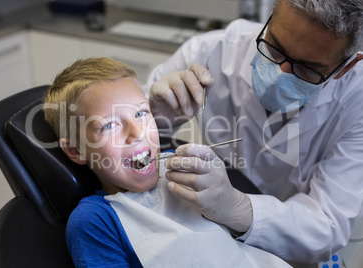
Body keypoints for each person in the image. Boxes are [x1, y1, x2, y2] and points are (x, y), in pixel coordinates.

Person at [146, 0, 363, 265]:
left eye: (307, 68)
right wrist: (153, 119)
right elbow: (111, 138)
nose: (280, 74)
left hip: (284, 254)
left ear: (347, 67)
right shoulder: (212, 51)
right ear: (271, 16)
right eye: (275, 47)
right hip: (202, 239)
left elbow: (328, 224)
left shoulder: (357, 102)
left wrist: (240, 209)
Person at [43, 57, 291, 267]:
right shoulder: (95, 220)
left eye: (141, 113)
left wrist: (233, 209)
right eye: (109, 125)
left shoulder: (186, 167)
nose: (136, 132)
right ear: (75, 150)